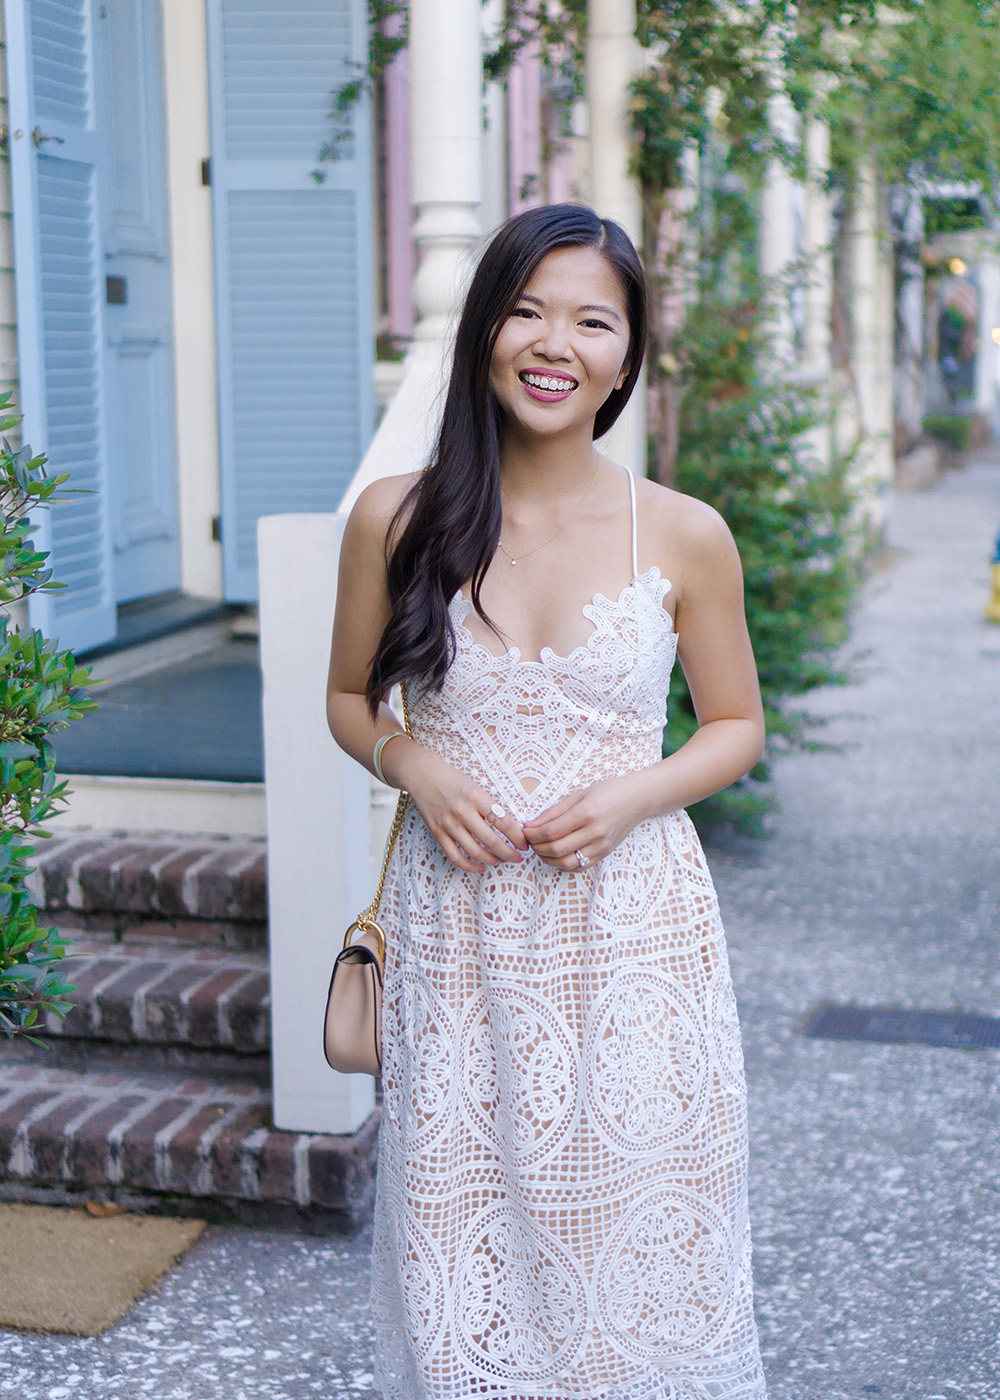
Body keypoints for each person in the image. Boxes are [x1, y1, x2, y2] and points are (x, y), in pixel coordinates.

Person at [327, 203, 768, 1400]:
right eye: (526, 309)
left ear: (627, 355)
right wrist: (411, 763)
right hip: (455, 933)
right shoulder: (397, 517)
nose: (552, 341)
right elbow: (346, 697)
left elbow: (735, 724)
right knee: (456, 1240)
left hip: (629, 932)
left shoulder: (682, 531)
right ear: (484, 332)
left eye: (591, 318)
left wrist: (633, 793)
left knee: (628, 1242)